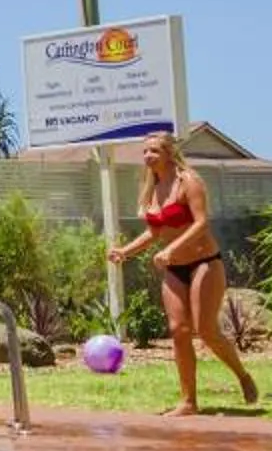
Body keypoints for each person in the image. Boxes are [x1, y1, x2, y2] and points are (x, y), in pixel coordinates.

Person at [106, 130, 259, 417]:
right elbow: (154, 231)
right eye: (145, 152)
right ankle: (189, 401)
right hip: (175, 269)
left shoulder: (188, 181)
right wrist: (125, 251)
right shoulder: (151, 187)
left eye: (154, 151)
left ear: (169, 153)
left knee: (206, 329)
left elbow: (201, 223)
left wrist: (171, 249)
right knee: (179, 330)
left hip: (205, 263)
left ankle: (242, 375)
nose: (148, 156)